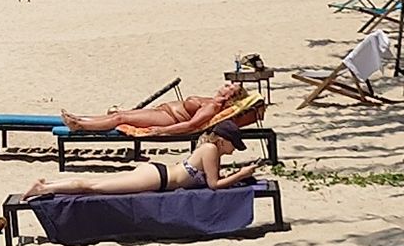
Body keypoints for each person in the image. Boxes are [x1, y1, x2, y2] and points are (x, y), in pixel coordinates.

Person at [18, 129, 265, 200]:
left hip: (158, 173)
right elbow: (214, 185)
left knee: (98, 184)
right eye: (233, 144)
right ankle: (44, 188)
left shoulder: (210, 148)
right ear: (222, 140)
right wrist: (242, 173)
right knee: (94, 187)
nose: (234, 149)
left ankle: (48, 185)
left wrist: (236, 174)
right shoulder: (211, 150)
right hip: (157, 179)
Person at [60, 82, 252, 138]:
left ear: (230, 96)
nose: (226, 85)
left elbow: (191, 125)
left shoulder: (213, 106)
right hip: (164, 112)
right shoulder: (211, 101)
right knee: (120, 114)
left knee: (120, 118)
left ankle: (81, 126)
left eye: (230, 87)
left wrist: (163, 130)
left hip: (168, 119)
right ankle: (80, 119)